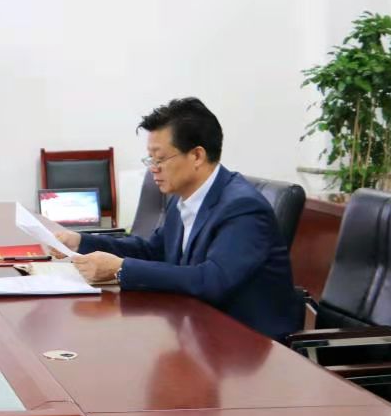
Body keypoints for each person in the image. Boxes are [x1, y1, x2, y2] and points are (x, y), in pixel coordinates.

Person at [59, 97, 303, 340]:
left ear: (197, 156)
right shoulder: (183, 198)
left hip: (246, 344)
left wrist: (121, 269)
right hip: (196, 328)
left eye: (160, 159)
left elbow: (212, 280)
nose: (153, 168)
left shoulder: (243, 207)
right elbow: (152, 251)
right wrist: (81, 242)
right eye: (150, 159)